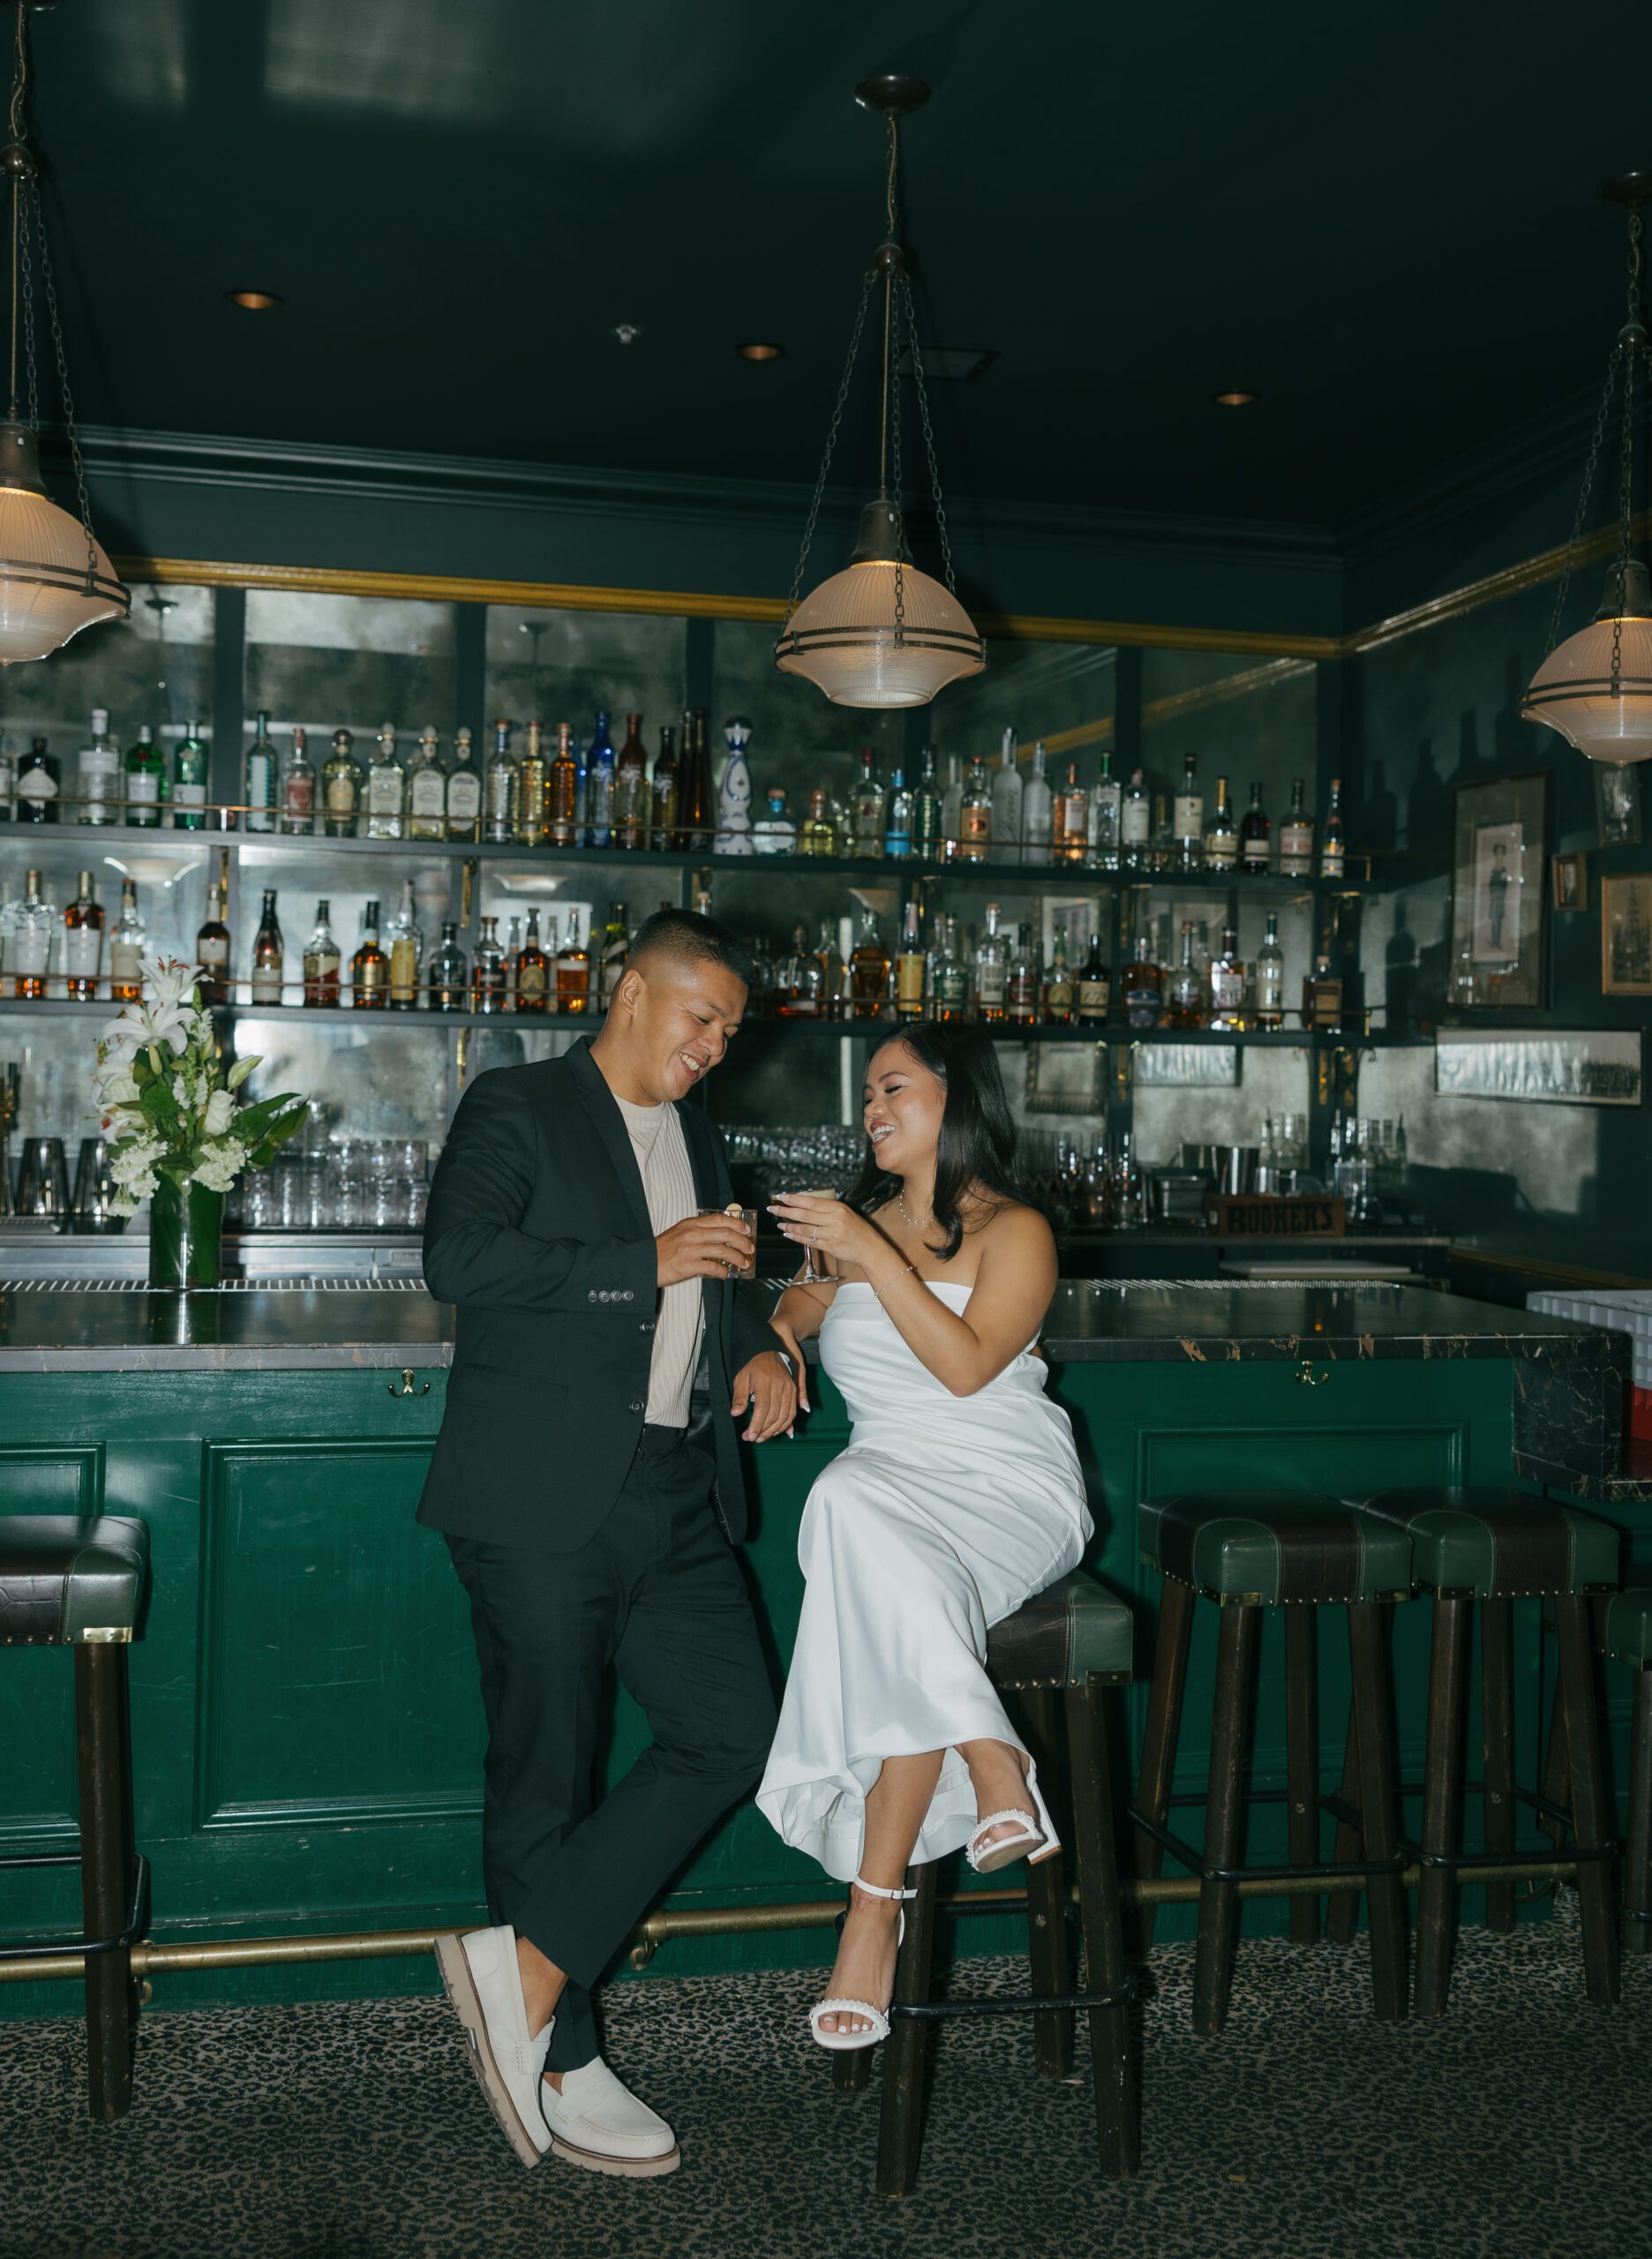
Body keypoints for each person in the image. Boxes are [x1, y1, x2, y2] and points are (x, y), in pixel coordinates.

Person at [418, 909, 797, 2173]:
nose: (715, 1050)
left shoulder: (698, 1130)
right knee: (546, 1778)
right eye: (704, 1020)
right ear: (632, 992)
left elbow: (720, 1278)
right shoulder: (517, 1105)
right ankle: (566, 2057)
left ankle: (521, 1979)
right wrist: (642, 1262)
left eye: (730, 1034)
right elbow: (457, 1256)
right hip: (537, 1495)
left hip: (679, 1492)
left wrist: (754, 1345)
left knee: (734, 1729)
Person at [757, 1022, 1091, 2047]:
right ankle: (987, 1763)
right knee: (853, 1503)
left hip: (1006, 1484)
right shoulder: (853, 1223)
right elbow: (793, 1310)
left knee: (852, 1516)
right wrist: (774, 1343)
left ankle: (872, 1909)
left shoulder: (1016, 1230)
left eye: (893, 1087)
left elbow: (964, 1367)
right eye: (866, 1094)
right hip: (892, 1485)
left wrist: (873, 1254)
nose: (871, 1110)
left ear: (959, 1099)